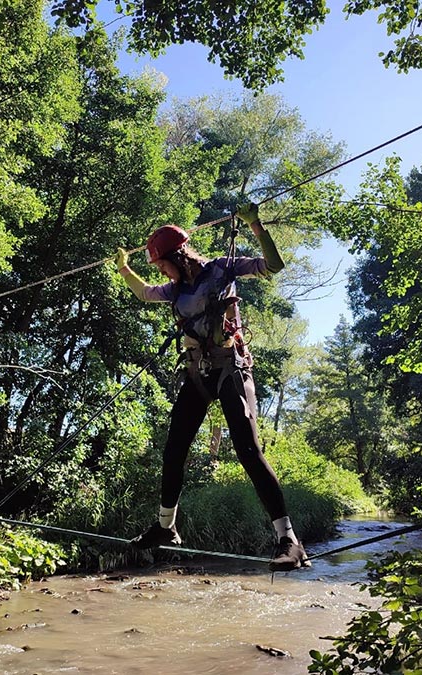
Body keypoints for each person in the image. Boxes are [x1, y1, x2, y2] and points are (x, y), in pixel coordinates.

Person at [113, 202, 309, 571]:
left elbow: (273, 266)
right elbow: (143, 293)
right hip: (196, 374)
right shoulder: (175, 290)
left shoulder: (222, 268)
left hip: (231, 368)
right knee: (174, 450)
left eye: (161, 264)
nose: (160, 272)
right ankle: (166, 528)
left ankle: (289, 540)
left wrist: (256, 225)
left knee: (248, 450)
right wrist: (125, 268)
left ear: (178, 256)